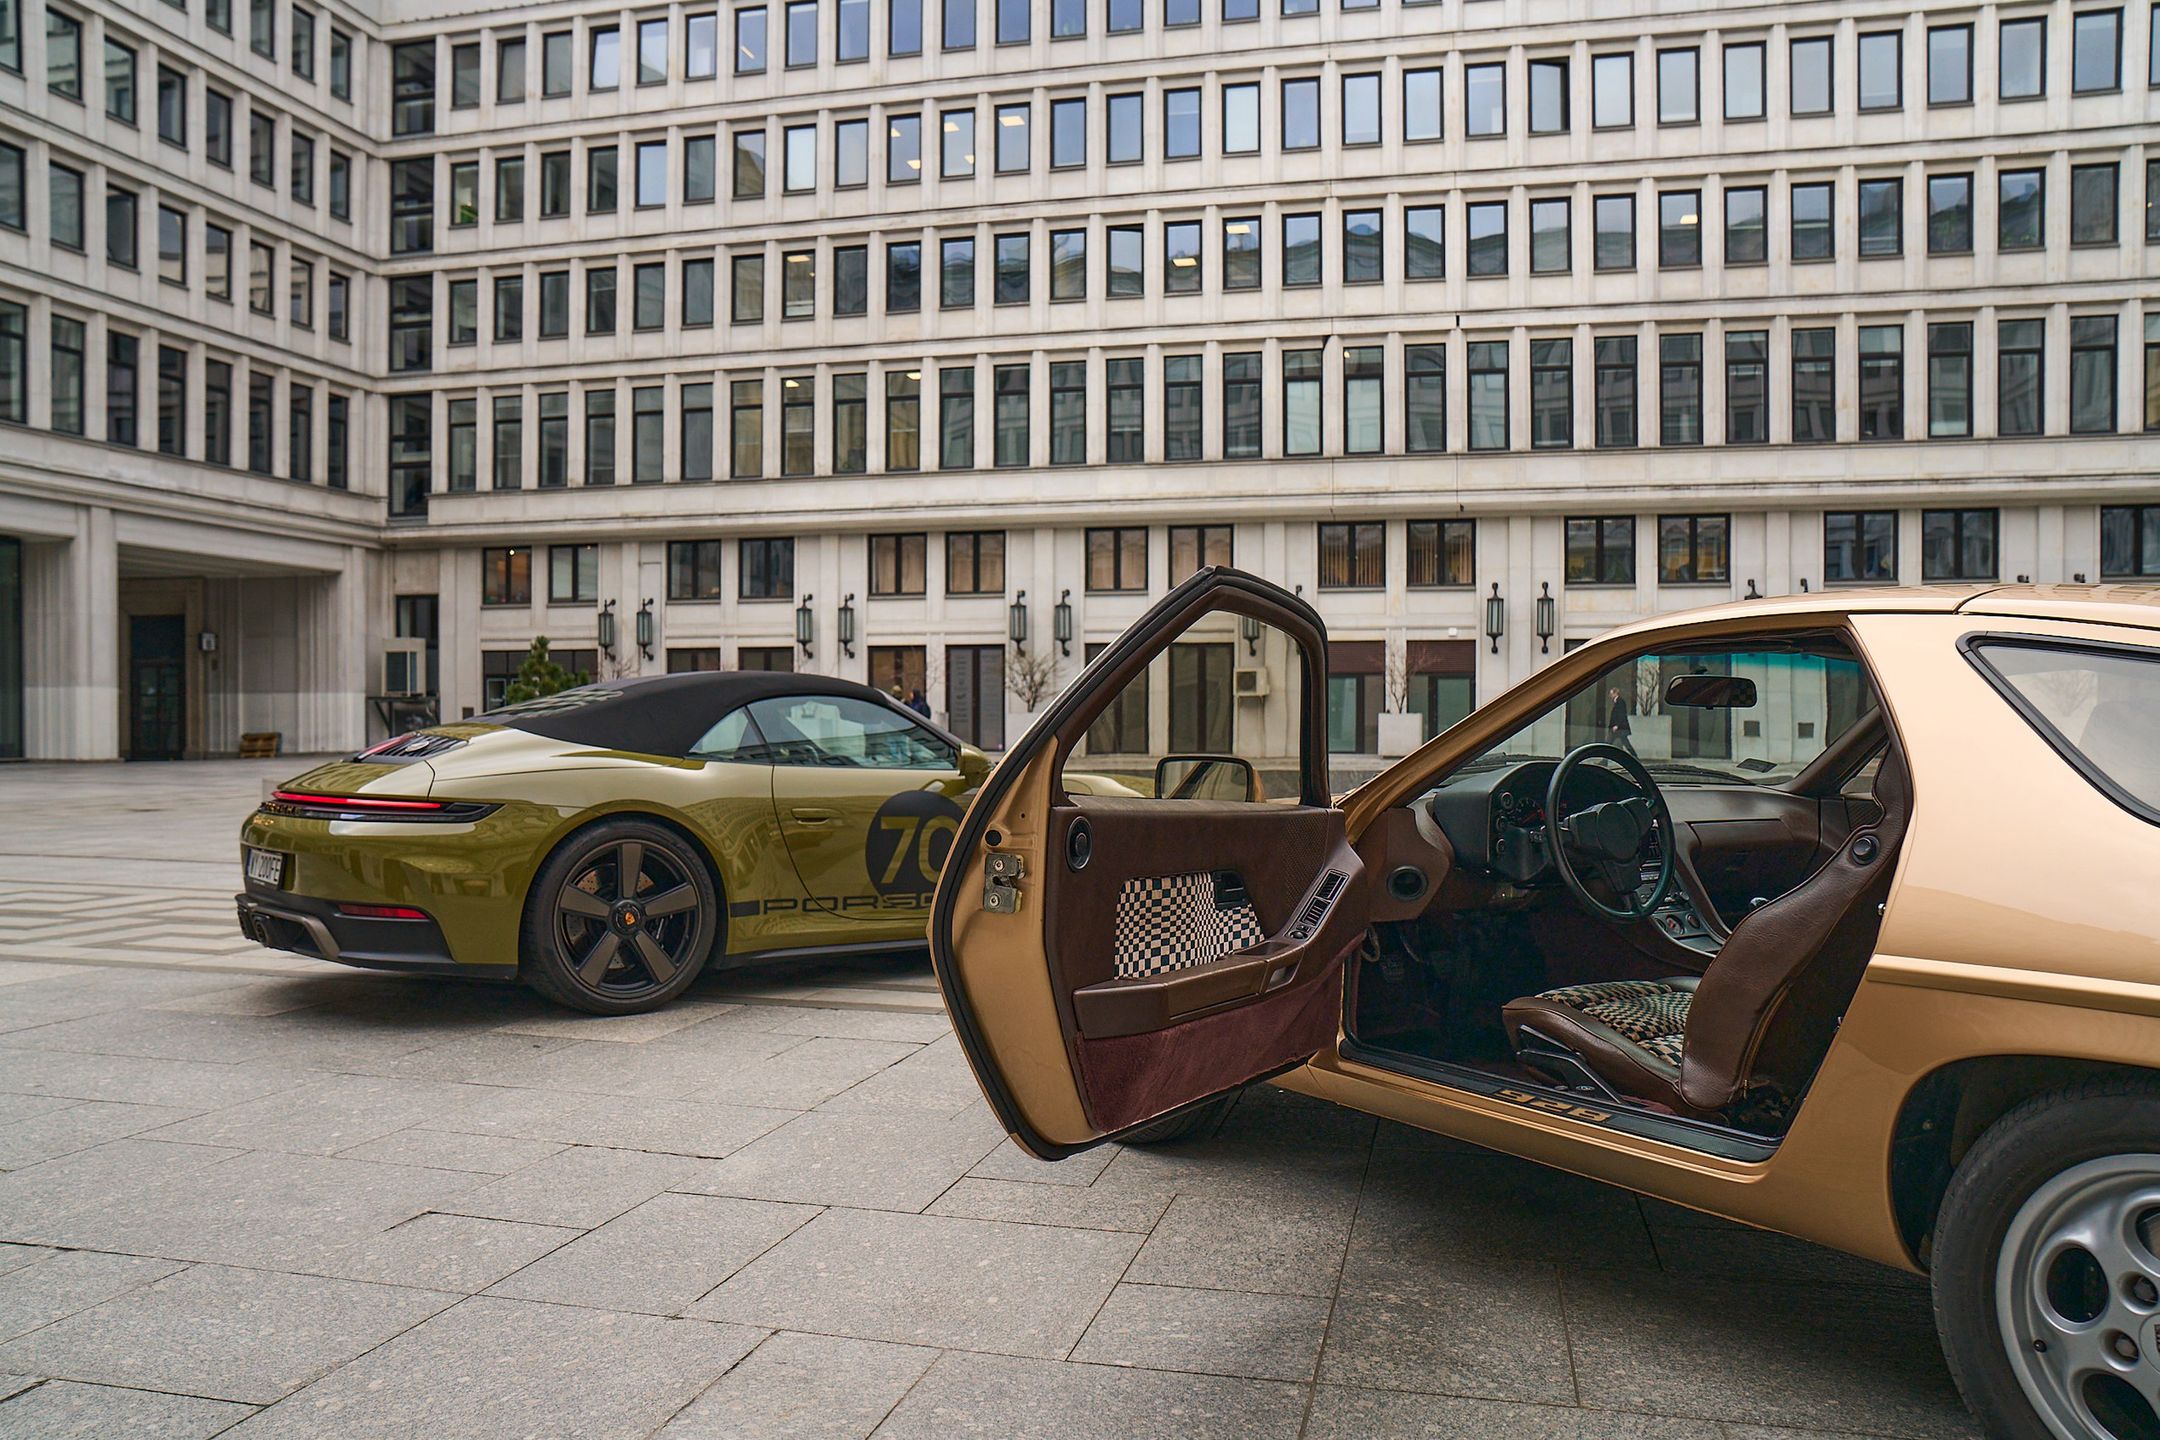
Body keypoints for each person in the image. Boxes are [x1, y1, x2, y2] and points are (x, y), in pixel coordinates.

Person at [1606, 686, 1635, 756]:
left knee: (1609, 744)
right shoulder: (1617, 702)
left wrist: (1616, 725)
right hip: (1618, 728)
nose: (1610, 696)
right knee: (1609, 743)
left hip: (1619, 728)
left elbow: (1621, 715)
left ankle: (1635, 756)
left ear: (1616, 693)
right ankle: (1635, 756)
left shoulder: (1620, 702)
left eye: (1611, 694)